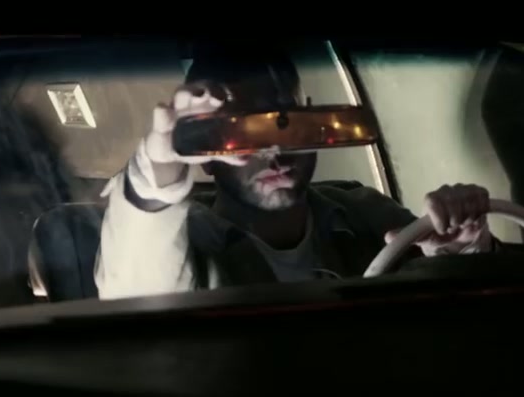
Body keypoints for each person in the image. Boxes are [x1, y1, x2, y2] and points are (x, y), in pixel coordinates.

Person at [93, 45, 497, 300]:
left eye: (285, 123)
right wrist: (163, 155)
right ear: (208, 157)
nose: (273, 152)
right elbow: (135, 289)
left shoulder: (363, 211)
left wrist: (461, 254)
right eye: (242, 135)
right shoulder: (185, 242)